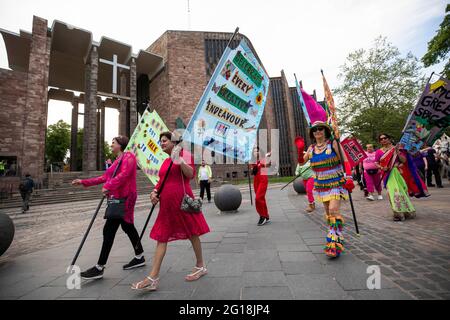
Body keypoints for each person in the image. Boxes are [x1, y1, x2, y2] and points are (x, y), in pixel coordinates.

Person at [132, 131, 210, 292]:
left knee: (192, 233)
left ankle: (200, 266)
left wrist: (179, 160)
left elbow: (190, 174)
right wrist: (154, 192)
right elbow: (162, 180)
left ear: (174, 143)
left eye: (165, 141)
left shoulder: (184, 154)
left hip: (182, 203)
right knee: (162, 237)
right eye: (160, 141)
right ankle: (153, 277)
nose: (162, 143)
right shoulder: (165, 162)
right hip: (167, 207)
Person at [72, 136, 145, 280]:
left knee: (109, 230)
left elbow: (124, 175)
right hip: (117, 199)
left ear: (121, 144)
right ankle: (140, 256)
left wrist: (108, 187)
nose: (111, 145)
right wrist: (83, 182)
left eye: (113, 143)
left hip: (125, 198)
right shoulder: (116, 161)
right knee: (128, 227)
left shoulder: (129, 156)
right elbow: (105, 177)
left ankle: (99, 267)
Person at [304, 121, 354, 258]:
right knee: (328, 213)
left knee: (333, 210)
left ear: (326, 131)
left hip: (336, 182)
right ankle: (337, 234)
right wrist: (299, 149)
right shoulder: (312, 148)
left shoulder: (334, 144)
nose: (318, 131)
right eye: (315, 129)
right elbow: (301, 161)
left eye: (320, 129)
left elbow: (345, 160)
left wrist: (349, 178)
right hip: (321, 185)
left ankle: (334, 244)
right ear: (312, 133)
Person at [375, 134, 421, 221]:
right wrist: (381, 167)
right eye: (381, 139)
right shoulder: (379, 152)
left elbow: (404, 160)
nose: (383, 140)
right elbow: (376, 163)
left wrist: (397, 152)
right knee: (392, 192)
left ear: (389, 139)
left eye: (385, 138)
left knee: (401, 191)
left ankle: (406, 211)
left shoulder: (397, 149)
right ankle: (397, 213)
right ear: (380, 141)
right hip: (387, 174)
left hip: (397, 173)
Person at [252, 147, 271, 226]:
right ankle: (266, 215)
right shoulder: (253, 162)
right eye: (254, 151)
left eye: (257, 151)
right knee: (261, 198)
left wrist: (269, 157)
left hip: (263, 181)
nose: (256, 152)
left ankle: (262, 216)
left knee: (258, 198)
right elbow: (253, 172)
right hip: (256, 182)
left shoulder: (264, 159)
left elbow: (268, 164)